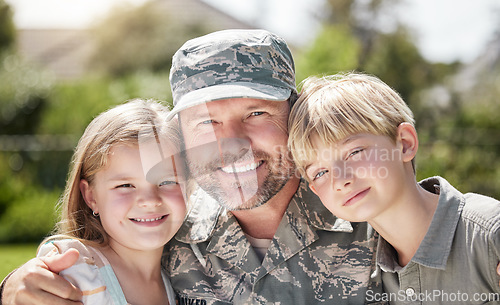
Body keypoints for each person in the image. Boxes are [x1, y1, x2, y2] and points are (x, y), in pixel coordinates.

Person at [0, 30, 381, 305]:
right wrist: (14, 287)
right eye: (206, 122)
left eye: (256, 113)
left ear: (294, 114)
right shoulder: (170, 233)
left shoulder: (371, 220)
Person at [287, 72, 500, 304]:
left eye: (355, 152)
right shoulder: (358, 273)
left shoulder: (489, 236)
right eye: (320, 172)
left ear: (405, 144)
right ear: (315, 190)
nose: (340, 180)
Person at [36, 99, 187, 305]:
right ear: (91, 197)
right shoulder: (74, 270)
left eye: (167, 181)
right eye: (125, 185)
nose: (150, 201)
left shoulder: (183, 280)